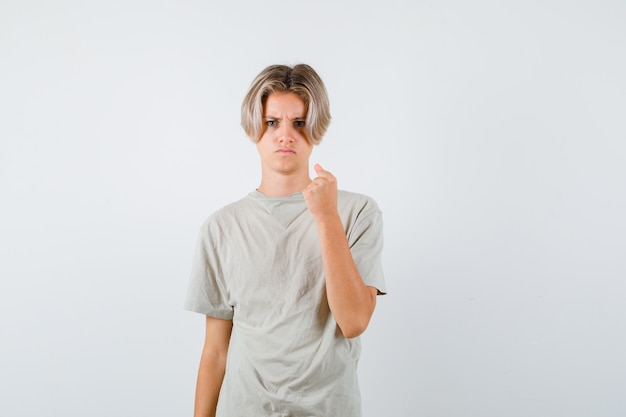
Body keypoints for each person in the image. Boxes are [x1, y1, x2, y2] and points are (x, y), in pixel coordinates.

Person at [184, 63, 386, 417]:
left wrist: (326, 218)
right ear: (254, 128)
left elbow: (353, 321)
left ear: (316, 128)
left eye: (299, 123)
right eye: (272, 122)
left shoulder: (357, 212)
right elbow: (215, 352)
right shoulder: (220, 228)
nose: (285, 135)